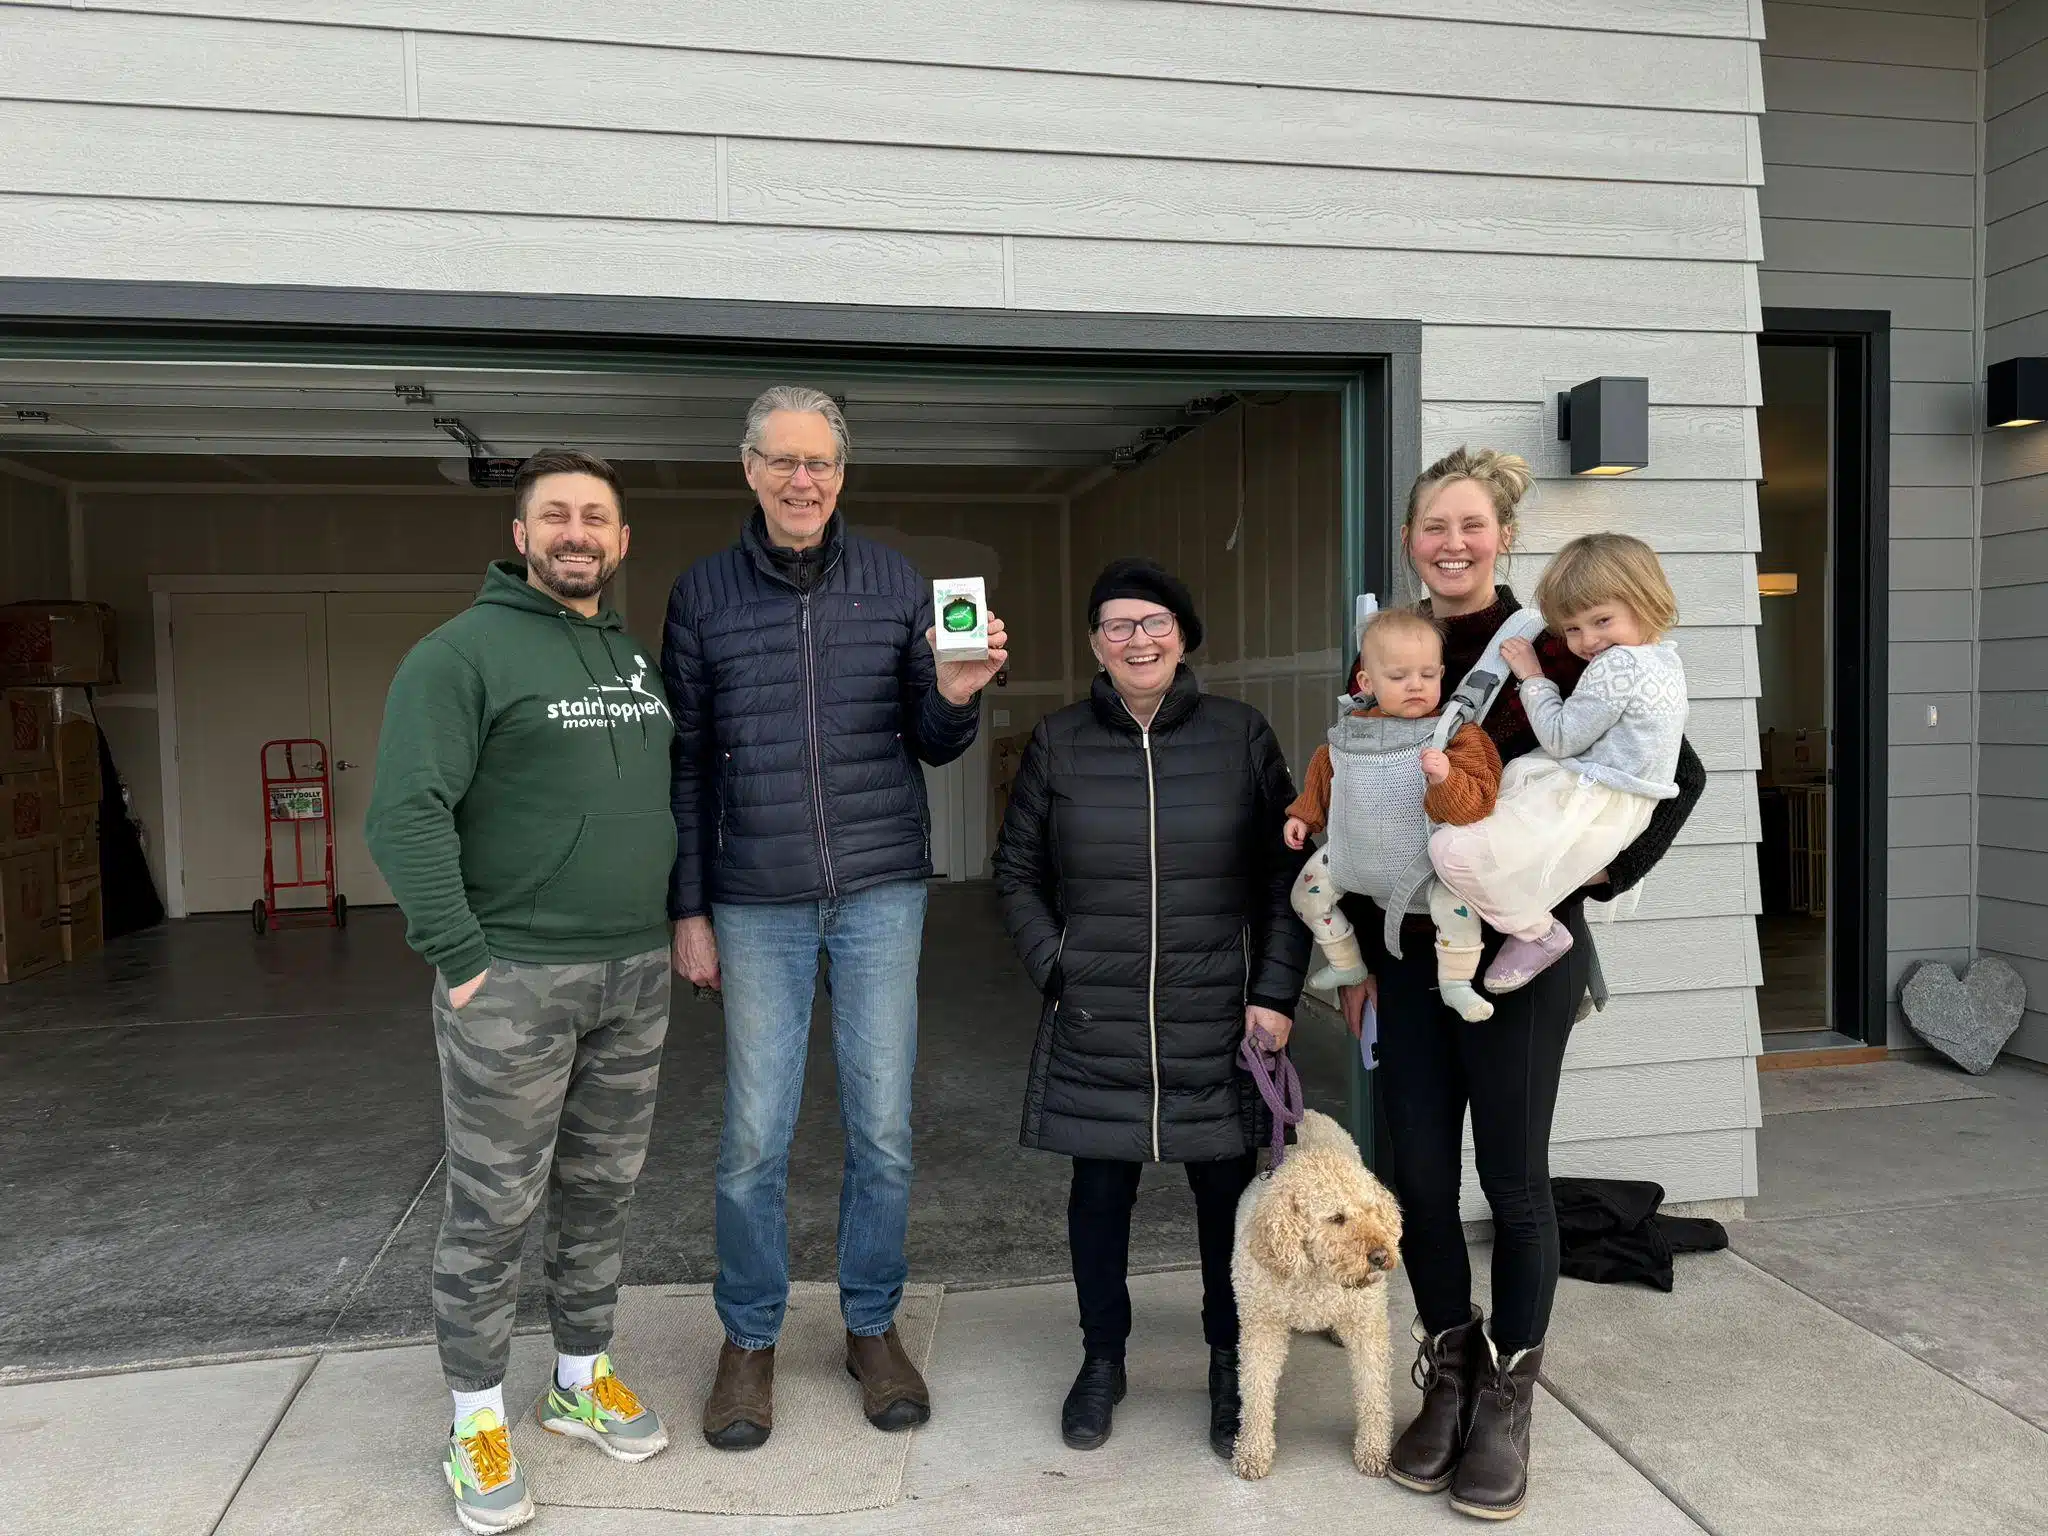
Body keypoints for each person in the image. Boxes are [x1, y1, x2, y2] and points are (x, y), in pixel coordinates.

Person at [1346, 448, 1704, 1523]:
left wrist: (1603, 875)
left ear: (1502, 537)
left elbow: (1676, 771)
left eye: (1471, 526)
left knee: (1511, 1177)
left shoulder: (1559, 643)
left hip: (1519, 956)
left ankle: (1505, 1398)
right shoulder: (1388, 646)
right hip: (1407, 951)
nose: (1450, 544)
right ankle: (1447, 1374)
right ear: (1409, 541)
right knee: (1417, 1175)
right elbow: (1361, 806)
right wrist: (1353, 958)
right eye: (1432, 527)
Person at [663, 386, 1009, 1451]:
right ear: (749, 469)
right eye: (782, 460)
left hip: (878, 889)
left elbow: (931, 739)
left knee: (883, 1129)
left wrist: (958, 694)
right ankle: (748, 1339)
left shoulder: (896, 583)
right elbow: (685, 761)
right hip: (752, 895)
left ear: (842, 473)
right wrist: (688, 907)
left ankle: (870, 1324)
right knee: (752, 1138)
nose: (801, 479)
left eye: (818, 462)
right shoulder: (702, 593)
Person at [368, 450, 676, 1535]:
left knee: (601, 1190)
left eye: (595, 516)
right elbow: (404, 812)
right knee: (493, 1209)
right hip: (514, 980)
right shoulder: (458, 655)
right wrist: (460, 957)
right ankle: (475, 1420)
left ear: (621, 540)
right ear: (521, 535)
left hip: (632, 974)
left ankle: (579, 1377)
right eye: (555, 516)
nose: (575, 532)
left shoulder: (631, 657)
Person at [991, 558, 1310, 1461]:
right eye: (1118, 626)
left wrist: (1274, 992)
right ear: (1096, 645)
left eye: (1155, 622)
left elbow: (1288, 875)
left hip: (1219, 1015)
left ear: (1183, 634)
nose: (1139, 640)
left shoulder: (1241, 735)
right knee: (1099, 1194)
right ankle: (1103, 1358)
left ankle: (1228, 1360)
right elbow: (1015, 872)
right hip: (1100, 1012)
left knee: (1225, 1200)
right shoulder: (1059, 742)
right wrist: (1056, 966)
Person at [1432, 532, 1689, 996]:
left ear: (1645, 600)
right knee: (1506, 868)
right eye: (1572, 629)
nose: (1587, 641)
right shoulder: (1665, 661)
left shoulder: (1617, 666)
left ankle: (1538, 933)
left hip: (1585, 800)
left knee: (1452, 850)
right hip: (1623, 809)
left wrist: (1532, 676)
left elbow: (1560, 737)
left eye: (1601, 620)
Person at [1284, 607, 1504, 1023]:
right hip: (1350, 859)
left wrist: (1446, 778)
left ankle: (1456, 982)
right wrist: (1304, 816)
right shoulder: (1351, 731)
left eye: (1427, 675)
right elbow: (1325, 772)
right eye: (1399, 677)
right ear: (1367, 682)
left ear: (1442, 674)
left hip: (1429, 868)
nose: (1415, 685)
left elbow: (1479, 801)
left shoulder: (1456, 734)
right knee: (1306, 896)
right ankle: (1346, 961)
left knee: (1458, 911)